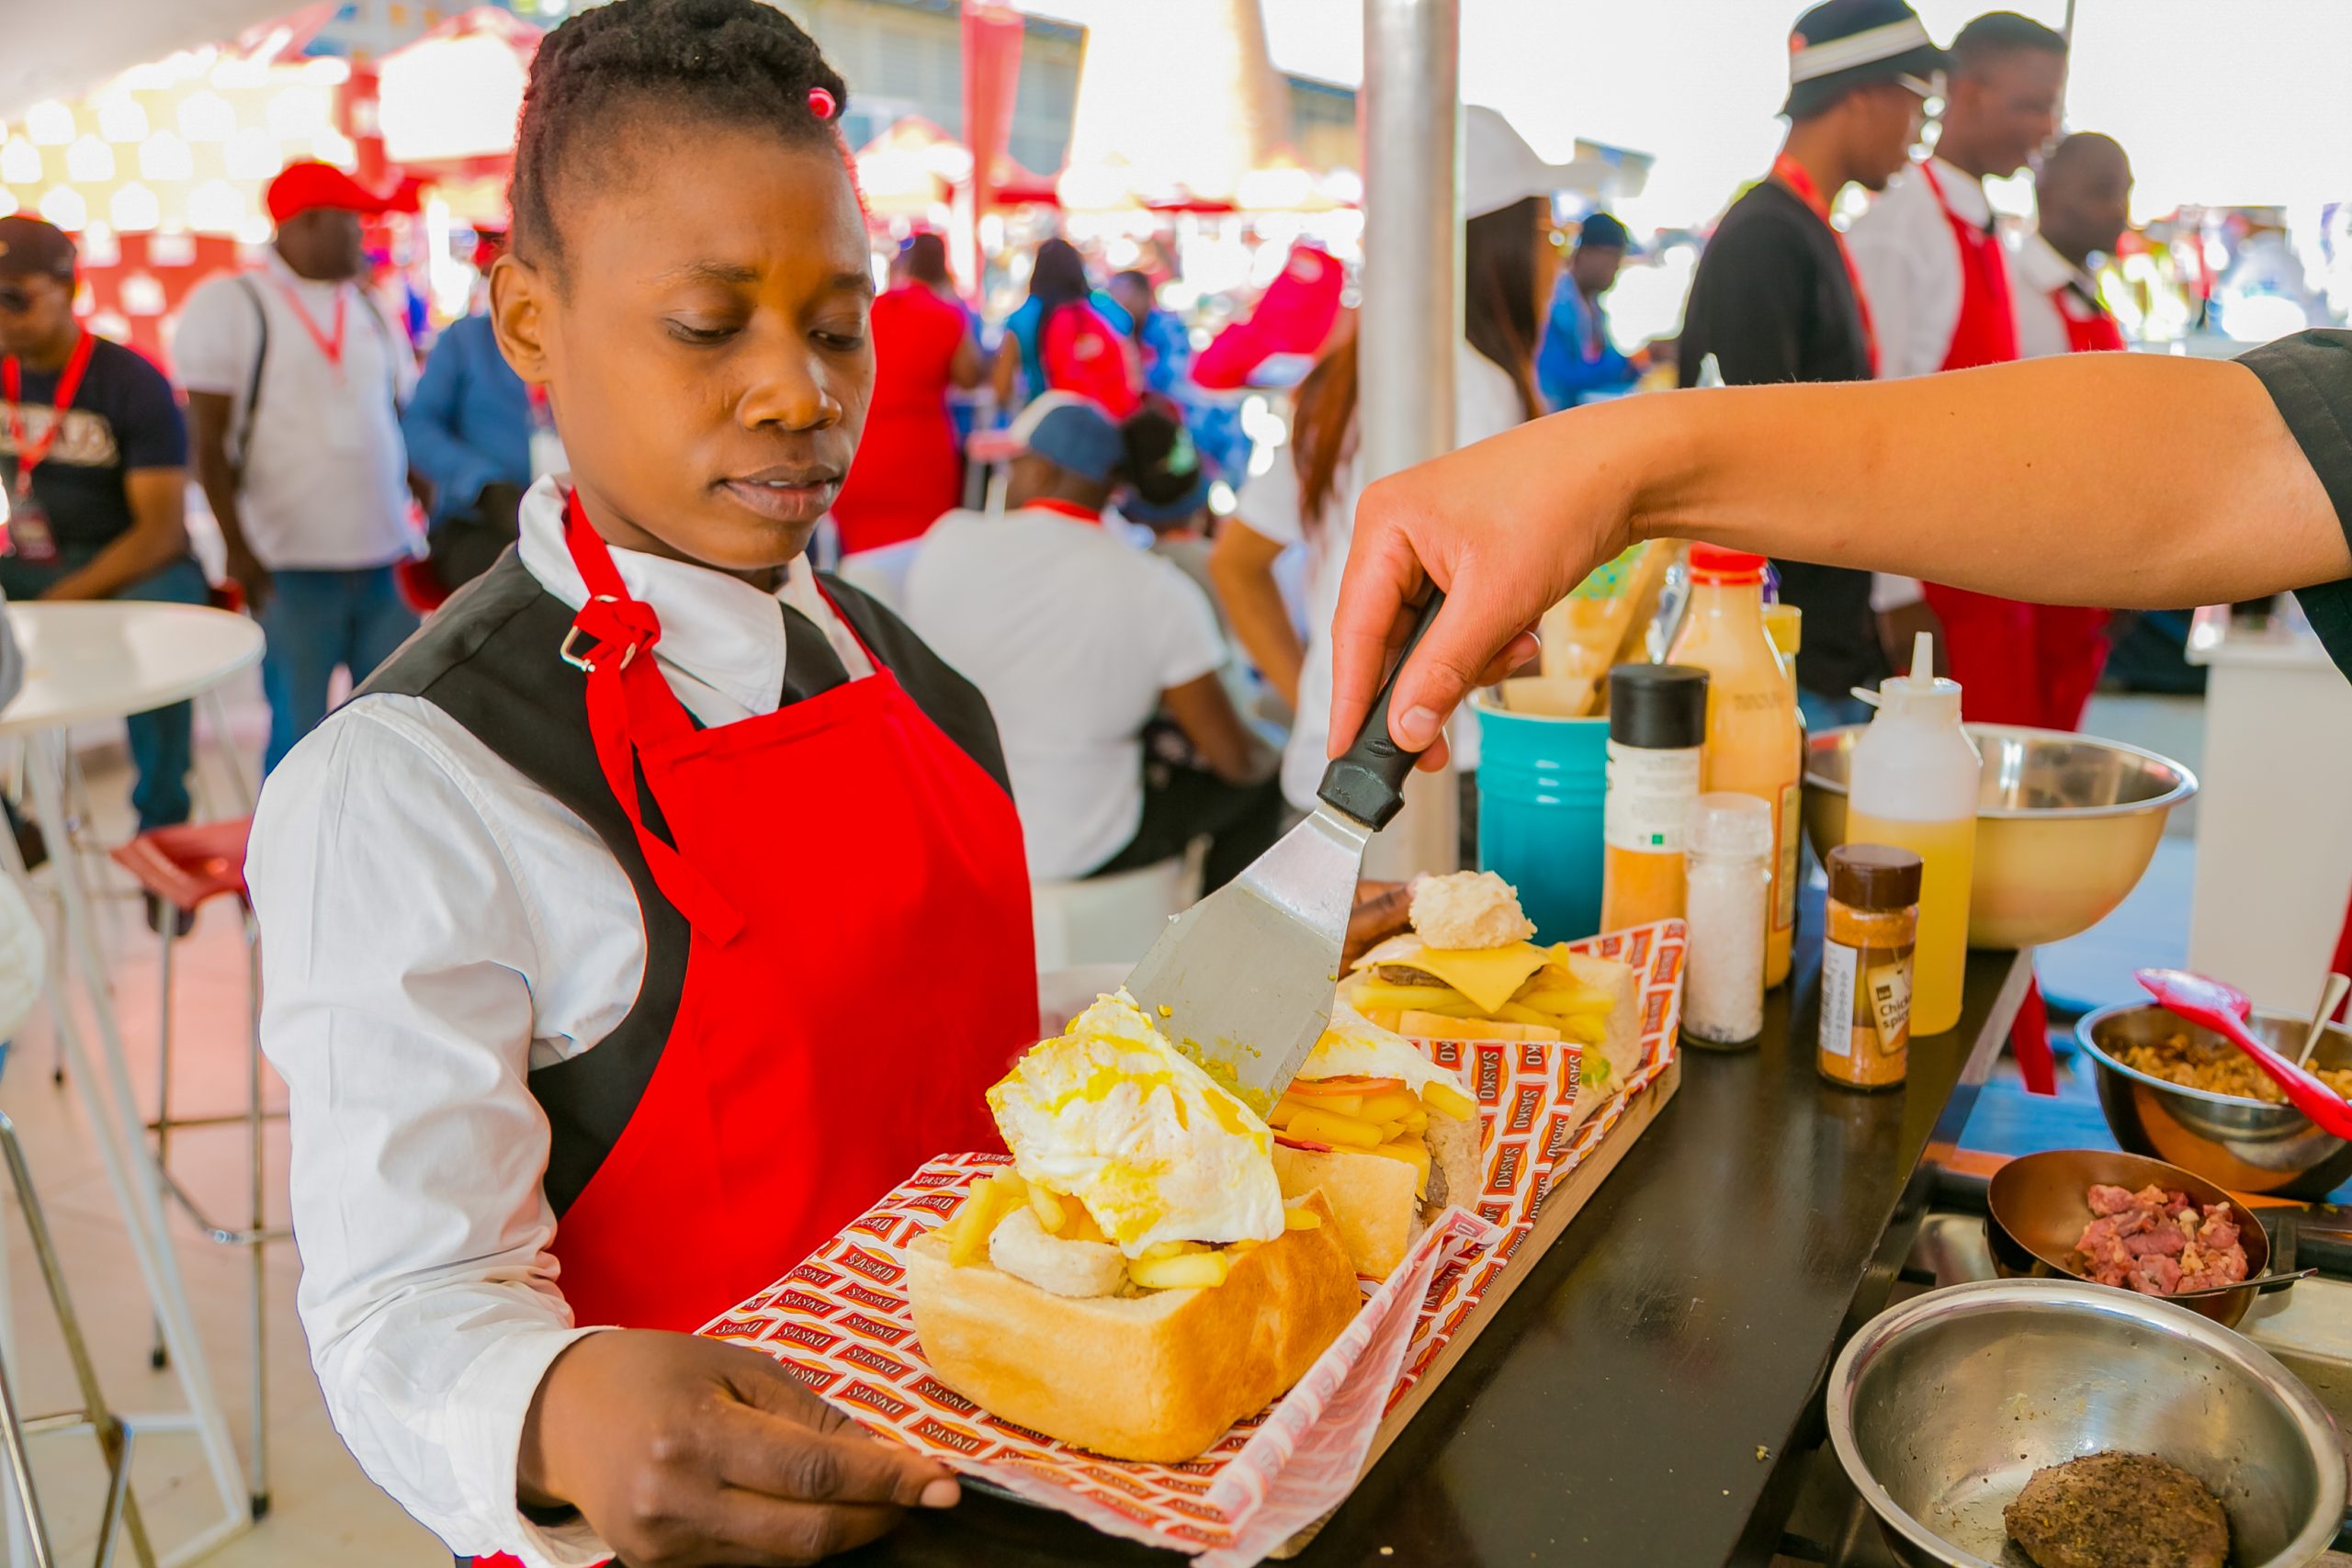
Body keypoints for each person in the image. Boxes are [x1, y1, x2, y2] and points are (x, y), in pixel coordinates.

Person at [246, 4, 1033, 1562]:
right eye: (708, 322)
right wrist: (553, 1406)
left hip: (1010, 1492)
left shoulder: (910, 677)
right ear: (529, 320)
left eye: (836, 323)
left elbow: (941, 1048)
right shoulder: (409, 783)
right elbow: (403, 1303)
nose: (800, 394)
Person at [1212, 106, 1559, 839]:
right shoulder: (1473, 386)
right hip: (1426, 783)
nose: (1555, 258)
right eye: (1547, 234)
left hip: (1328, 776)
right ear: (1498, 248)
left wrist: (1322, 699)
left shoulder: (1347, 376)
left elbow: (1236, 560)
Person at [1676, 0, 1942, 729]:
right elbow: (1761, 460)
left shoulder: (1803, 229)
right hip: (1774, 658)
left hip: (1814, 639)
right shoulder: (1766, 238)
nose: (1921, 132)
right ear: (1862, 95)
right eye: (1919, 101)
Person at [904, 394, 1278, 889]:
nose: (1005, 482)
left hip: (954, 830)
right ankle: (1220, 951)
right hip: (1083, 843)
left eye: (1013, 468)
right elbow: (1233, 757)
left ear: (1041, 474)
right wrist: (1280, 753)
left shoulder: (946, 540)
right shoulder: (1156, 588)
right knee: (1259, 788)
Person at [1846, 10, 2067, 725]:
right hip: (1934, 588)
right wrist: (1895, 593)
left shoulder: (1985, 229)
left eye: (2051, 108)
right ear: (1965, 93)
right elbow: (1871, 420)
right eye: (2029, 105)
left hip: (1993, 571)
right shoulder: (1900, 230)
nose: (2044, 129)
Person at [178, 160, 424, 771]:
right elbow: (207, 444)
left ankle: (378, 857)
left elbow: (397, 419)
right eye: (352, 224)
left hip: (385, 562)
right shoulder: (232, 303)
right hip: (289, 565)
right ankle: (287, 866)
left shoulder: (369, 307)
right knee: (299, 735)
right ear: (306, 224)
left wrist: (433, 515)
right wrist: (238, 549)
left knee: (399, 730)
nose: (362, 239)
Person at [0, 217, 209, 833]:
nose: (2, 314)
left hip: (135, 559)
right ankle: (11, 826)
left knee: (159, 638)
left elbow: (162, 531)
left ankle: (163, 823)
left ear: (68, 288)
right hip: (33, 555)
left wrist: (63, 598)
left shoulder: (131, 382)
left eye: (15, 296)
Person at [2006, 131, 2136, 729]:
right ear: (2047, 192)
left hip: (2086, 578)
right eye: (2103, 193)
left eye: (2125, 194)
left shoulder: (2086, 294)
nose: (2120, 213)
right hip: (2029, 575)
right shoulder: (2013, 293)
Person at [829, 232, 978, 555]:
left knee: (861, 569)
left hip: (860, 451)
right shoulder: (947, 315)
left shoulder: (869, 312)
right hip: (921, 456)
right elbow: (970, 378)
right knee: (923, 562)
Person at [402, 262, 541, 593]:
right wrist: (482, 485)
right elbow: (418, 427)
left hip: (571, 525)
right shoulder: (467, 340)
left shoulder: (585, 346)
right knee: (511, 591)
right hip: (481, 522)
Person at [989, 237, 1137, 416]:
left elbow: (1001, 387)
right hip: (1107, 422)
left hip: (1046, 424)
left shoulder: (1023, 317)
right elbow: (1133, 370)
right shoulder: (1106, 311)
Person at [1536, 211, 1641, 410]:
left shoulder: (1594, 308)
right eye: (1611, 258)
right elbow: (1558, 379)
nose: (1616, 268)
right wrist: (1632, 362)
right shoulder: (1554, 305)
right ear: (1584, 254)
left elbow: (1605, 363)